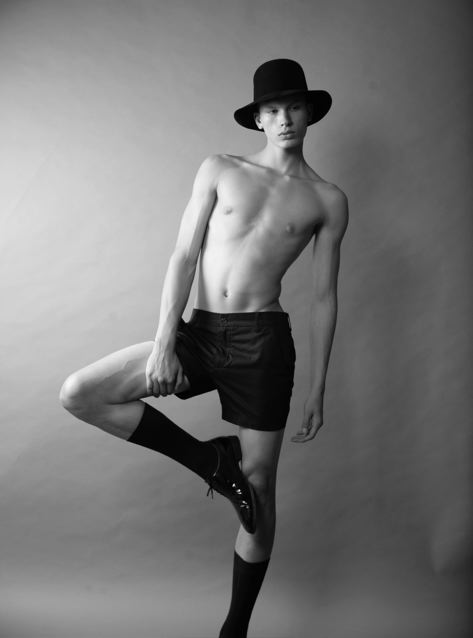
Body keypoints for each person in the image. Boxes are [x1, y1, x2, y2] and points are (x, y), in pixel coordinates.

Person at [59, 58, 348, 638]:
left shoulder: (327, 199)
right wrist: (165, 341)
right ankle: (210, 462)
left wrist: (318, 386)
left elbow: (324, 298)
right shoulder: (221, 168)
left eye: (294, 107)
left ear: (309, 113)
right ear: (258, 119)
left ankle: (233, 631)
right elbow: (184, 256)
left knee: (259, 493)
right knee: (81, 393)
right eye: (272, 109)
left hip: (263, 344)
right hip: (200, 331)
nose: (284, 119)